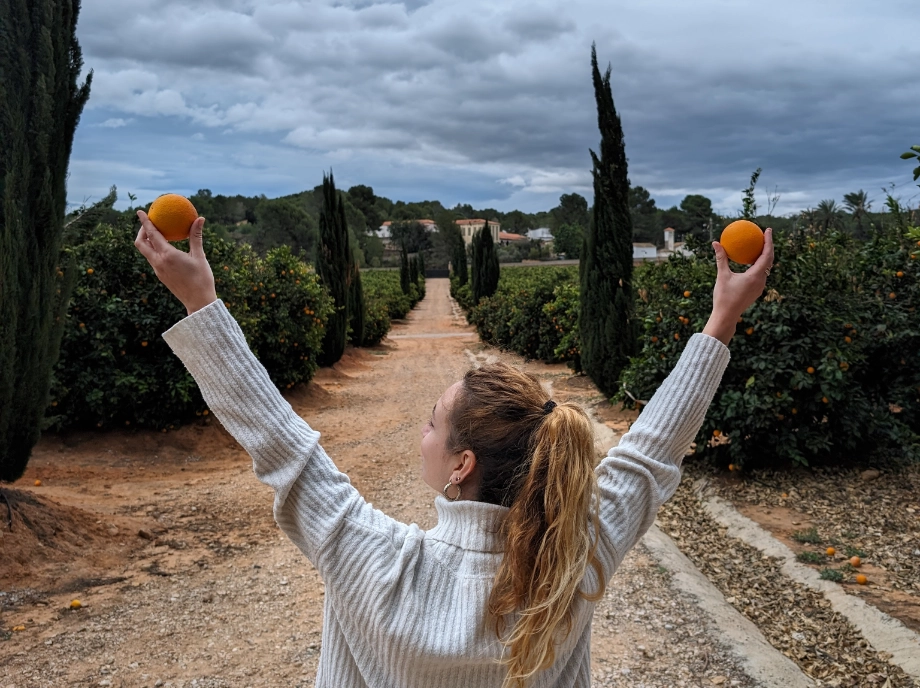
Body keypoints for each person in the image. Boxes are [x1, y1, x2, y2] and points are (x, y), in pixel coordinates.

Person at [134, 210, 774, 688]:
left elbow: (282, 445)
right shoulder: (572, 562)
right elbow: (650, 454)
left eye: (431, 424)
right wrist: (722, 319)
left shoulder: (375, 561)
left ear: (461, 464)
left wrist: (201, 302)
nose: (421, 435)